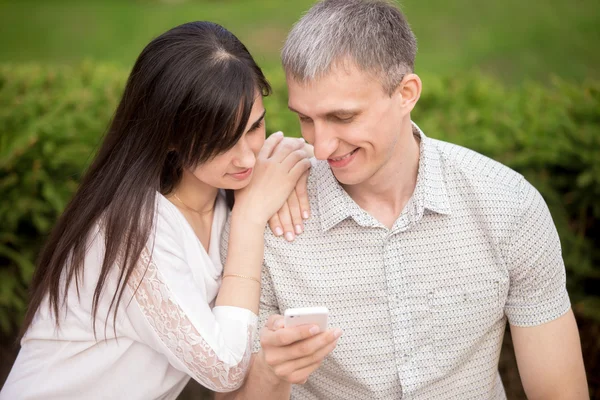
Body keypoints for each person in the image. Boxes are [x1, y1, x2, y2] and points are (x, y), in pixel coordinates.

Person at [217, 0, 589, 399]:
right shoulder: (263, 222)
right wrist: (272, 372)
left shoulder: (507, 207)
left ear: (406, 94)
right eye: (305, 119)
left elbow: (559, 391)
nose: (321, 147)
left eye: (343, 118)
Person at [0, 21, 313, 400]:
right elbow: (226, 369)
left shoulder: (222, 189)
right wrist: (249, 219)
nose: (246, 156)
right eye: (221, 141)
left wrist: (294, 173)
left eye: (254, 126)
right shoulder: (133, 231)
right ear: (170, 137)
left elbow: (301, 158)